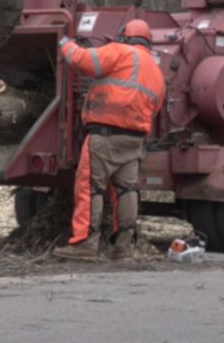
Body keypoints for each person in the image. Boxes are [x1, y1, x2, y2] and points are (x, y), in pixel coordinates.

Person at [53, 19, 165, 261]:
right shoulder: (157, 71)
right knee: (126, 191)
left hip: (105, 136)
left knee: (90, 188)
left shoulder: (120, 51)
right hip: (134, 140)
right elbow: (154, 109)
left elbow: (85, 61)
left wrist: (65, 43)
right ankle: (124, 248)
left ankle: (85, 243)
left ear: (125, 36)